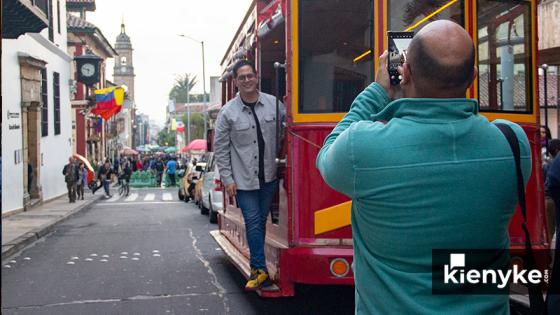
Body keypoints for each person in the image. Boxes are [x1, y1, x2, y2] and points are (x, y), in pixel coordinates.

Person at [316, 20, 531, 314]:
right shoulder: (512, 143)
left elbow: (326, 155)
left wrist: (378, 91)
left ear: (403, 73)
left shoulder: (362, 147)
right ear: (473, 76)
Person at [214, 59, 285, 290]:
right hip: (243, 180)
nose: (247, 80)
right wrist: (228, 179)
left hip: (269, 176)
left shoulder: (274, 105)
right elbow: (221, 149)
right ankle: (259, 270)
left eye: (249, 76)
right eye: (241, 77)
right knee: (253, 222)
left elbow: (286, 130)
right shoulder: (227, 113)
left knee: (259, 223)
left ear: (256, 77)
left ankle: (259, 265)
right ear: (236, 82)